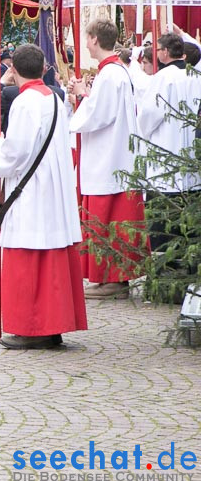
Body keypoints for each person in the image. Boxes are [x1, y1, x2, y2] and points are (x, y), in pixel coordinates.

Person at [0, 44, 86, 349]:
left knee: (28, 257)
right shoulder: (54, 99)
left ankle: (33, 327)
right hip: (53, 186)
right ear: (45, 69)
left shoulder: (24, 102)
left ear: (12, 69)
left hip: (32, 190)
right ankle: (52, 325)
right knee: (51, 256)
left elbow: (16, 151)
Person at [68, 20, 146, 299]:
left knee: (109, 218)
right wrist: (86, 95)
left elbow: (98, 116)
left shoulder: (110, 74)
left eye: (87, 38)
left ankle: (114, 279)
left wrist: (80, 97)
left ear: (94, 39)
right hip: (113, 155)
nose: (86, 43)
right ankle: (111, 278)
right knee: (111, 217)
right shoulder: (114, 72)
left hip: (109, 158)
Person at [136, 33, 201, 253]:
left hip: (166, 159)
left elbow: (149, 114)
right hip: (190, 160)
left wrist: (142, 132)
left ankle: (165, 273)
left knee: (164, 233)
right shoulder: (195, 76)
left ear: (164, 53)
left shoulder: (164, 78)